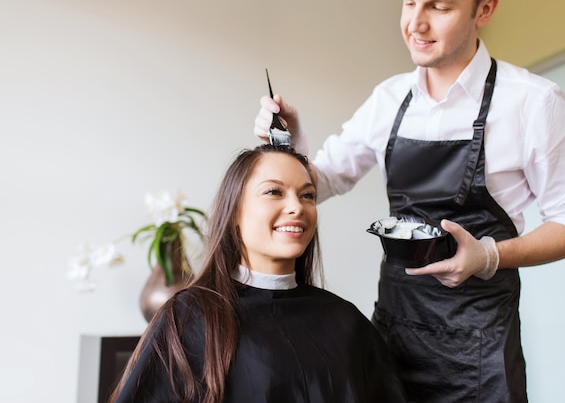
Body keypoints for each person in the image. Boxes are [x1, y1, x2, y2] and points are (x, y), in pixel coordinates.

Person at [253, 0, 565, 401]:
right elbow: (322, 180)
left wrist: (489, 256)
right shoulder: (389, 99)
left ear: (484, 10)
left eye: (438, 6)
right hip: (393, 336)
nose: (415, 23)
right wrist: (288, 144)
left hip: (481, 350)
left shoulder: (533, 102)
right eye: (408, 1)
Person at [108, 144, 407, 403]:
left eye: (307, 195)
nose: (296, 207)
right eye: (274, 191)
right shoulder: (188, 317)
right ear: (234, 211)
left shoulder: (346, 322)